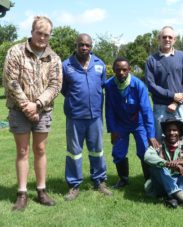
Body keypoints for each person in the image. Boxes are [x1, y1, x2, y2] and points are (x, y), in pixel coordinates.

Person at [3, 16, 62, 211]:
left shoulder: (53, 57)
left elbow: (55, 85)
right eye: (39, 33)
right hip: (19, 110)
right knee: (22, 151)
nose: (43, 38)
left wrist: (37, 105)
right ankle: (22, 193)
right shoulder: (15, 52)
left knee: (41, 150)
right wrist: (26, 106)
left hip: (43, 111)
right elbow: (10, 81)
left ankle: (41, 191)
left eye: (46, 34)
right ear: (31, 31)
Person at [61, 33, 112, 201]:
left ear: (91, 46)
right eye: (81, 44)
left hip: (95, 116)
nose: (84, 47)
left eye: (87, 45)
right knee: (74, 152)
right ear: (76, 46)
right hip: (75, 117)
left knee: (97, 151)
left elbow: (102, 85)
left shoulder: (100, 64)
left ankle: (99, 181)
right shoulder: (66, 65)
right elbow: (63, 89)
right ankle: (74, 185)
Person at [105, 57, 160, 189]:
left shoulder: (138, 85)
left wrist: (151, 135)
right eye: (118, 70)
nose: (121, 73)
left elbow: (146, 110)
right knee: (118, 151)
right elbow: (109, 110)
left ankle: (149, 179)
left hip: (138, 122)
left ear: (129, 70)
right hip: (120, 124)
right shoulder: (109, 85)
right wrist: (112, 130)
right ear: (113, 70)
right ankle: (123, 179)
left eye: (124, 70)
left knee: (144, 150)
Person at [144, 118, 183, 211]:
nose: (172, 133)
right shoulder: (158, 145)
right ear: (164, 132)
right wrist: (169, 164)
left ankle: (173, 197)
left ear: (179, 132)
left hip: (181, 181)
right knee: (156, 166)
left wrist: (182, 161)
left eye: (175, 130)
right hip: (162, 183)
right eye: (169, 130)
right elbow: (147, 157)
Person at [145, 26, 183, 142]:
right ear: (158, 39)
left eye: (170, 37)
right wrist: (172, 95)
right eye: (164, 37)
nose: (167, 39)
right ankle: (162, 161)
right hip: (160, 107)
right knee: (160, 141)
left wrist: (175, 101)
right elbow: (151, 85)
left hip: (180, 106)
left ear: (174, 40)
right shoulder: (151, 60)